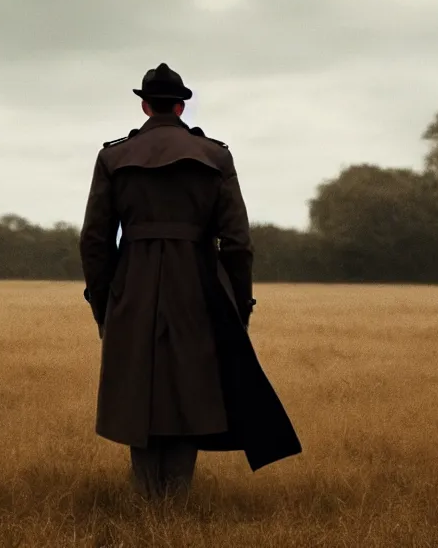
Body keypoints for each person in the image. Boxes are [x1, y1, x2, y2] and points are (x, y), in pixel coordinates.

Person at [79, 63, 300, 499]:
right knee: (191, 388)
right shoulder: (216, 156)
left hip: (132, 284)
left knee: (137, 387)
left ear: (145, 105)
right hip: (199, 283)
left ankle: (144, 499)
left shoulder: (113, 157)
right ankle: (176, 501)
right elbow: (237, 242)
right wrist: (239, 303)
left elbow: (94, 240)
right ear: (181, 106)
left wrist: (103, 303)